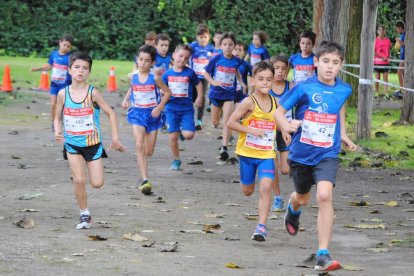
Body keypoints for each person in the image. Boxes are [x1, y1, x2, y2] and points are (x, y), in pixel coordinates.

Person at [274, 41, 357, 271]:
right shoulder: (303, 87)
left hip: (327, 152)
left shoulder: (344, 89)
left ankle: (323, 253)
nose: (330, 67)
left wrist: (343, 135)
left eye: (336, 63)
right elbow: (278, 112)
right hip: (301, 153)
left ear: (341, 65)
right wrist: (286, 126)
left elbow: (338, 108)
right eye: (326, 61)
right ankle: (293, 206)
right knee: (303, 197)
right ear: (316, 62)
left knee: (324, 196)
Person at [54, 51, 126, 230]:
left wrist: (115, 138)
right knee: (79, 179)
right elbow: (56, 117)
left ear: (89, 72)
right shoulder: (63, 94)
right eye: (77, 67)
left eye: (85, 68)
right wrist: (57, 130)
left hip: (92, 144)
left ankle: (90, 168)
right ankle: (84, 214)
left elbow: (111, 113)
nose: (80, 71)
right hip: (72, 143)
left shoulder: (93, 93)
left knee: (97, 183)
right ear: (69, 70)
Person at [228, 61, 277, 241]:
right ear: (253, 81)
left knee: (265, 187)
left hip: (267, 154)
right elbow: (231, 123)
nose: (265, 83)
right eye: (261, 79)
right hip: (247, 154)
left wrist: (287, 131)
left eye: (269, 80)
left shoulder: (275, 102)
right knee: (248, 191)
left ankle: (261, 226)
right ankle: (249, 184)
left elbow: (277, 124)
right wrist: (251, 130)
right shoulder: (248, 102)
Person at [122, 45, 171, 195]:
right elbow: (132, 88)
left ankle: (143, 171)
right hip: (137, 113)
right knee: (139, 145)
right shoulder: (133, 76)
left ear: (152, 63)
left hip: (153, 115)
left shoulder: (155, 78)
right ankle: (144, 179)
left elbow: (168, 93)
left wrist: (159, 107)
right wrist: (125, 100)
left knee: (148, 151)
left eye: (146, 61)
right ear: (137, 59)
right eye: (140, 59)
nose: (142, 63)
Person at [204, 32, 246, 161]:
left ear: (234, 46)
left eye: (230, 45)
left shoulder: (237, 60)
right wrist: (213, 82)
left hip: (229, 93)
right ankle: (219, 125)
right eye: (225, 44)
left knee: (227, 120)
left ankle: (224, 147)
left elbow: (236, 71)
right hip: (216, 94)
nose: (228, 47)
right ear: (220, 46)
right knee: (216, 122)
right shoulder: (216, 59)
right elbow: (205, 73)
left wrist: (241, 83)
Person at [162, 45, 203, 170]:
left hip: (186, 109)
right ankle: (176, 160)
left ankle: (182, 131)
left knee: (189, 135)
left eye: (186, 58)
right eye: (180, 56)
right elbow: (162, 88)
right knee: (172, 137)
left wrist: (199, 97)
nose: (182, 60)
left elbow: (199, 84)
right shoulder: (167, 74)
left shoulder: (190, 73)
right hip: (171, 109)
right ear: (174, 55)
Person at [31, 34, 74, 131]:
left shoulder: (70, 58)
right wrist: (37, 69)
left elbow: (73, 70)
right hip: (54, 84)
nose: (66, 48)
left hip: (65, 85)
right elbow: (49, 66)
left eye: (68, 46)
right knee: (53, 104)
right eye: (65, 44)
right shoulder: (53, 54)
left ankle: (64, 121)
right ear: (60, 42)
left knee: (63, 105)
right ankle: (54, 123)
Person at [269, 54, 294, 212]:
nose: (280, 71)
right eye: (277, 68)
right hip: (269, 131)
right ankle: (277, 198)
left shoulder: (292, 87)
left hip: (287, 130)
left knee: (285, 169)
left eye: (283, 69)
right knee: (271, 166)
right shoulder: (265, 85)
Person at [189, 24, 215, 130]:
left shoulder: (211, 48)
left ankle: (199, 120)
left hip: (204, 77)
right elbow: (184, 55)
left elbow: (214, 62)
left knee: (202, 97)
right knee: (191, 97)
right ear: (197, 37)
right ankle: (189, 117)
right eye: (201, 37)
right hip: (193, 76)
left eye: (205, 37)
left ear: (208, 37)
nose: (203, 39)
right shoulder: (192, 46)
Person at [233, 42, 253, 107]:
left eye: (240, 50)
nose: (237, 52)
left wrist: (251, 90)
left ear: (244, 53)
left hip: (241, 93)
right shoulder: (227, 63)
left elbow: (254, 75)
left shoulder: (246, 64)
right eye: (235, 49)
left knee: (238, 114)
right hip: (229, 93)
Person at [374, 25, 392, 95]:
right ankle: (377, 92)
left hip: (386, 62)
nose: (381, 31)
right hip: (377, 62)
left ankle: (386, 93)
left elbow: (389, 50)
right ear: (377, 31)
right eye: (380, 30)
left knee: (385, 79)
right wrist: (382, 57)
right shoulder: (375, 40)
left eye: (383, 30)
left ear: (385, 32)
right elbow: (374, 52)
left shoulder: (388, 40)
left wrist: (389, 57)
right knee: (377, 79)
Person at [393, 21, 405, 99]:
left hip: (404, 57)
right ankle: (404, 90)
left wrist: (398, 40)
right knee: (403, 73)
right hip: (402, 56)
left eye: (397, 28)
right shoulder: (402, 35)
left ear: (400, 28)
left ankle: (402, 90)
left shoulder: (405, 34)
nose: (397, 30)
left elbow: (404, 44)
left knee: (399, 72)